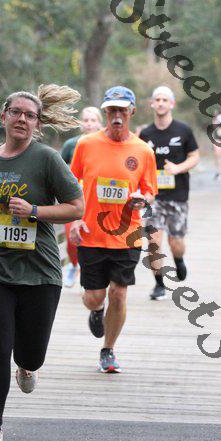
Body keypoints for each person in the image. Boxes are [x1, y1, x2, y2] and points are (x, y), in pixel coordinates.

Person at [0, 85, 84, 441]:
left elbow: (77, 207)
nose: (22, 119)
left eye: (30, 115)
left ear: (37, 124)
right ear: (3, 117)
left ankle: (27, 366)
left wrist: (35, 211)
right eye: (16, 112)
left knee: (30, 353)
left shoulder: (46, 159)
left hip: (39, 271)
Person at [70, 86, 157, 373]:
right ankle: (96, 311)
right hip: (92, 233)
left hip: (127, 234)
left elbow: (150, 190)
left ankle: (108, 349)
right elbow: (70, 184)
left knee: (119, 293)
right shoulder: (86, 144)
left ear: (132, 112)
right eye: (111, 110)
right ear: (105, 112)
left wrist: (143, 199)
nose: (116, 116)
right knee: (94, 297)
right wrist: (75, 219)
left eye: (122, 110)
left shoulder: (143, 150)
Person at [139, 86, 200, 301]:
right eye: (157, 99)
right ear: (152, 104)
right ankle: (159, 284)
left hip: (178, 195)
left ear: (172, 104)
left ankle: (179, 259)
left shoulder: (183, 130)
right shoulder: (146, 134)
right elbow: (139, 162)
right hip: (154, 197)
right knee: (153, 241)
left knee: (176, 242)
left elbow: (195, 156)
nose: (161, 103)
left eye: (165, 99)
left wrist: (178, 168)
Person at [60, 107, 103, 287]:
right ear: (80, 123)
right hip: (74, 198)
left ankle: (91, 274)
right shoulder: (71, 144)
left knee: (93, 238)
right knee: (71, 239)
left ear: (100, 123)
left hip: (97, 200)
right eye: (86, 120)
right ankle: (73, 264)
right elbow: (59, 168)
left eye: (93, 120)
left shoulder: (105, 144)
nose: (89, 124)